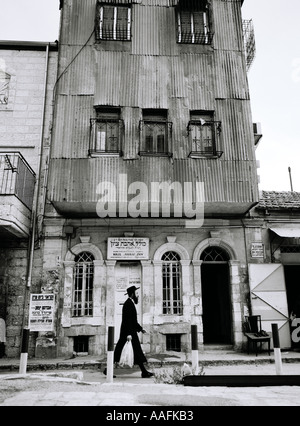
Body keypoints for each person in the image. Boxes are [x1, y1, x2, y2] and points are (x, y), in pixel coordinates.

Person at [104, 285, 153, 378]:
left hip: (129, 332)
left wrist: (140, 329)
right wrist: (129, 334)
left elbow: (133, 321)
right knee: (119, 352)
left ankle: (144, 371)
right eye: (136, 293)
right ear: (132, 294)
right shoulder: (128, 304)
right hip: (128, 333)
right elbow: (128, 321)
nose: (138, 295)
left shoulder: (130, 303)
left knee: (136, 351)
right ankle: (107, 370)